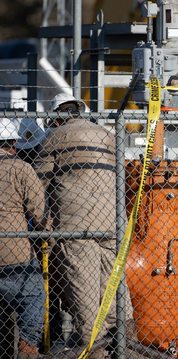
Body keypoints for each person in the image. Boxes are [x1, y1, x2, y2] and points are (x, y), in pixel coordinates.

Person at [33, 93, 135, 352]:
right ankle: (130, 348)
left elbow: (38, 183)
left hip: (79, 227)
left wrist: (39, 223)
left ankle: (94, 350)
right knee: (115, 291)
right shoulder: (106, 134)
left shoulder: (56, 137)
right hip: (113, 222)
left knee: (85, 297)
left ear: (55, 118)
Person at [0, 117, 49, 359]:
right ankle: (28, 348)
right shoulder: (21, 168)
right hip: (14, 253)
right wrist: (45, 232)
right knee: (33, 298)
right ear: (13, 143)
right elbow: (40, 213)